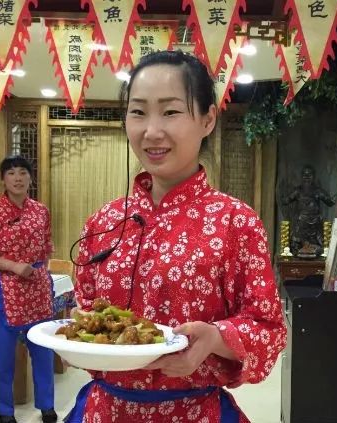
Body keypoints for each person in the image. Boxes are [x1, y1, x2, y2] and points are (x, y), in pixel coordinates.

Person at [67, 50, 287, 422]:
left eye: (170, 112)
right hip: (106, 410)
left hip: (194, 412)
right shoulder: (103, 221)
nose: (151, 131)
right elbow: (85, 312)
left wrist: (214, 339)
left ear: (207, 119)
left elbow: (268, 329)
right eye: (138, 112)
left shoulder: (236, 221)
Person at [0, 156, 57, 423]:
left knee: (43, 353)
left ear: (30, 178)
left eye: (23, 173)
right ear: (3, 179)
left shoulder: (41, 211)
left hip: (38, 290)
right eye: (11, 173)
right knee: (2, 357)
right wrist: (13, 266)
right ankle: (5, 412)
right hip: (3, 292)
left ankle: (47, 408)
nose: (17, 178)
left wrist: (43, 274)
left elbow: (47, 246)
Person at [282, 165, 335, 255]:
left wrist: (332, 200)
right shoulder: (297, 191)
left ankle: (316, 252)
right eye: (305, 175)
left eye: (309, 175)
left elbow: (329, 202)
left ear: (313, 177)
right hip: (301, 222)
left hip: (315, 222)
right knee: (297, 243)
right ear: (301, 177)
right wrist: (283, 197)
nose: (307, 178)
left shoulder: (318, 191)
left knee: (318, 244)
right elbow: (286, 200)